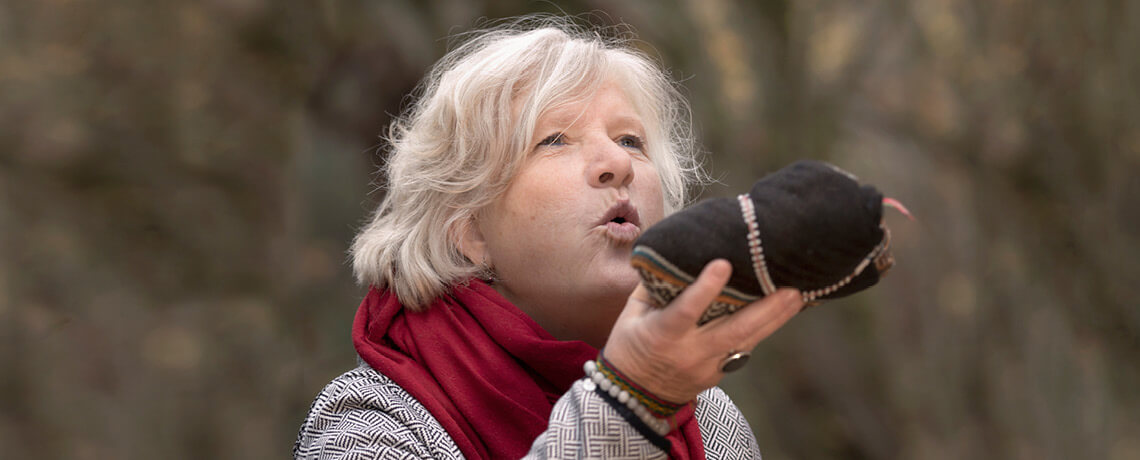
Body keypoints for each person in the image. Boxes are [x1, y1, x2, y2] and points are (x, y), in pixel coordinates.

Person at [294, 16, 804, 459]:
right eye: (554, 140)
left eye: (631, 140)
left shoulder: (709, 415)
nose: (618, 164)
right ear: (469, 232)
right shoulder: (369, 425)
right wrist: (633, 405)